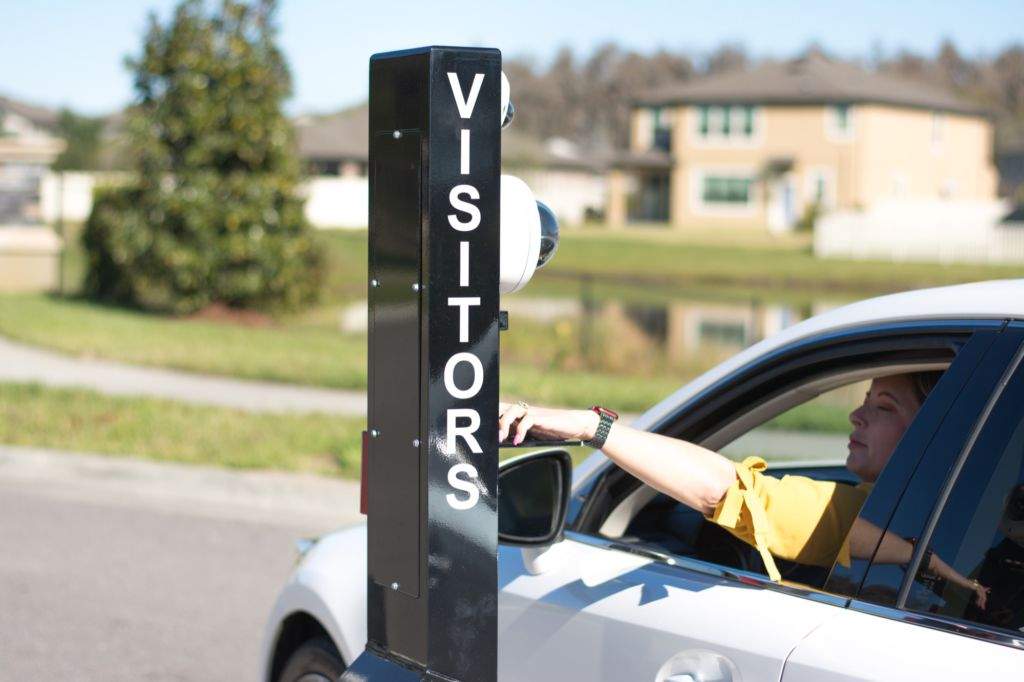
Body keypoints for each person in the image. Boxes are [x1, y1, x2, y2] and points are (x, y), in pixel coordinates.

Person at [499, 371, 988, 607]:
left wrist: (593, 428)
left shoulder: (857, 516)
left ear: (931, 435)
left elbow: (729, 492)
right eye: (863, 402)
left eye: (883, 407)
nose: (855, 416)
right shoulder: (963, 521)